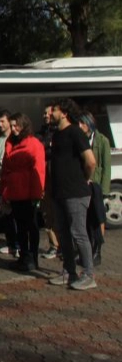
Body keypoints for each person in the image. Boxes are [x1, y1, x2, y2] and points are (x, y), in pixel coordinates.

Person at [48, 98, 97, 290]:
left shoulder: (76, 132)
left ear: (65, 113)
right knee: (63, 233)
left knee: (79, 233)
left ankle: (89, 274)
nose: (51, 113)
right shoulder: (57, 135)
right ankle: (69, 271)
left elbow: (90, 161)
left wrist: (84, 178)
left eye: (55, 110)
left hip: (76, 192)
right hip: (60, 192)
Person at [0, 112, 45, 272]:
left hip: (28, 192)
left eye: (16, 125)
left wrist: (37, 194)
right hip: (14, 192)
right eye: (11, 126)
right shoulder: (10, 143)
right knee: (20, 227)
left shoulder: (33, 144)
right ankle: (24, 256)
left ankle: (32, 258)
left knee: (30, 226)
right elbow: (4, 169)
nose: (13, 128)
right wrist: (3, 191)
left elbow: (39, 169)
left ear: (24, 125)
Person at [79, 112, 110, 265]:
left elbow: (106, 167)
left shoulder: (102, 140)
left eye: (82, 123)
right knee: (86, 220)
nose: (80, 126)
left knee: (98, 219)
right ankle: (87, 250)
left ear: (89, 124)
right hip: (84, 185)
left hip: (96, 185)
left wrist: (104, 191)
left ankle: (98, 250)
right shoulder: (80, 140)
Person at [0, 110, 18, 257]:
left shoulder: (15, 138)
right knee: (5, 212)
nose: (0, 124)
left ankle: (18, 244)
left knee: (15, 213)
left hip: (12, 179)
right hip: (0, 178)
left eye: (3, 121)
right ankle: (11, 243)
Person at [38, 104, 61, 259]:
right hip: (44, 174)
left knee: (58, 211)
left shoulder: (60, 132)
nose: (45, 116)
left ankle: (62, 245)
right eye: (44, 113)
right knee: (47, 211)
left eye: (48, 113)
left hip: (57, 176)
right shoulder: (42, 132)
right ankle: (54, 245)